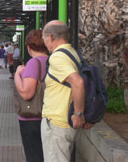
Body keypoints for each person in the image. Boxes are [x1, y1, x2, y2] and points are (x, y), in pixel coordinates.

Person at [41, 20, 88, 162]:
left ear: (50, 37)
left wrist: (78, 114)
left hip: (58, 123)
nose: (44, 43)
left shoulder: (58, 57)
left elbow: (78, 82)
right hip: (64, 122)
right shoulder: (72, 53)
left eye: (44, 38)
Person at [14, 30, 48, 162]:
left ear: (29, 47)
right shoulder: (51, 61)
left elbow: (26, 92)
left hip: (32, 117)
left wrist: (17, 75)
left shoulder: (34, 63)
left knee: (34, 155)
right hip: (47, 114)